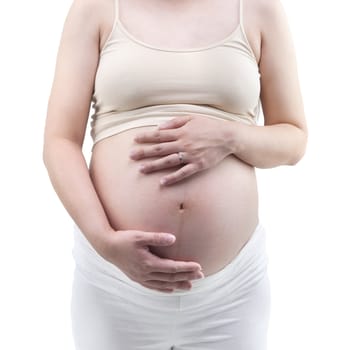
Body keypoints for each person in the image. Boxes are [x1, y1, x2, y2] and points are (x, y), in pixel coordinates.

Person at [43, 0, 307, 349]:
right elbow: (59, 141)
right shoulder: (96, 8)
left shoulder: (259, 9)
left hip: (231, 290)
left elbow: (293, 138)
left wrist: (230, 136)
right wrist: (104, 240)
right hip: (115, 282)